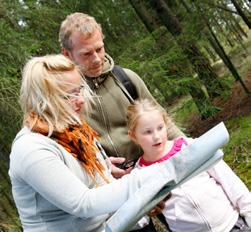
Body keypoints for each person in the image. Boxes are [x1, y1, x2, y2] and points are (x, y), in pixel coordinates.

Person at [8, 54, 211, 232]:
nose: (79, 100)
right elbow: (83, 204)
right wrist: (148, 178)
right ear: (42, 99)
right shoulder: (31, 149)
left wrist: (132, 192)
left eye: (79, 90)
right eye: (68, 96)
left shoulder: (75, 130)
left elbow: (89, 180)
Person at [58, 12, 184, 178]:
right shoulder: (65, 99)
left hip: (155, 167)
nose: (96, 59)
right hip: (114, 186)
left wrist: (192, 149)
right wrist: (101, 167)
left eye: (99, 49)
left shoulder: (126, 79)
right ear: (67, 54)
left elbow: (163, 122)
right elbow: (70, 153)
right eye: (87, 54)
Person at [126, 99, 251, 232]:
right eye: (148, 132)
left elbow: (229, 180)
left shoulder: (190, 147)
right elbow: (138, 219)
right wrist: (147, 209)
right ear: (133, 135)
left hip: (232, 225)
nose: (157, 136)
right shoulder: (139, 174)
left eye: (160, 128)